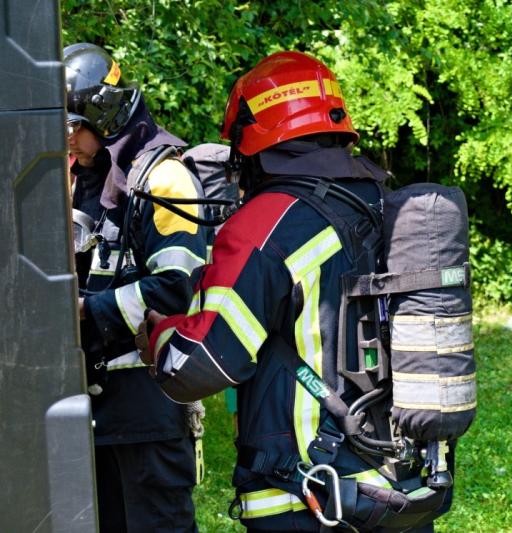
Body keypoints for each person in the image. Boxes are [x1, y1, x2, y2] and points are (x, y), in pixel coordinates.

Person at [139, 51, 447, 532]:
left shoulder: (264, 225)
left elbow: (199, 365)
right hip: (397, 491)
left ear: (252, 138)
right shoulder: (384, 205)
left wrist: (159, 337)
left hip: (308, 498)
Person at [65, 42, 205, 531]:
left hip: (148, 407)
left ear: (105, 113)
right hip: (90, 410)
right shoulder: (78, 178)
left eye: (74, 125)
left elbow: (177, 288)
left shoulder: (164, 179)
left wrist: (84, 310)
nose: (66, 138)